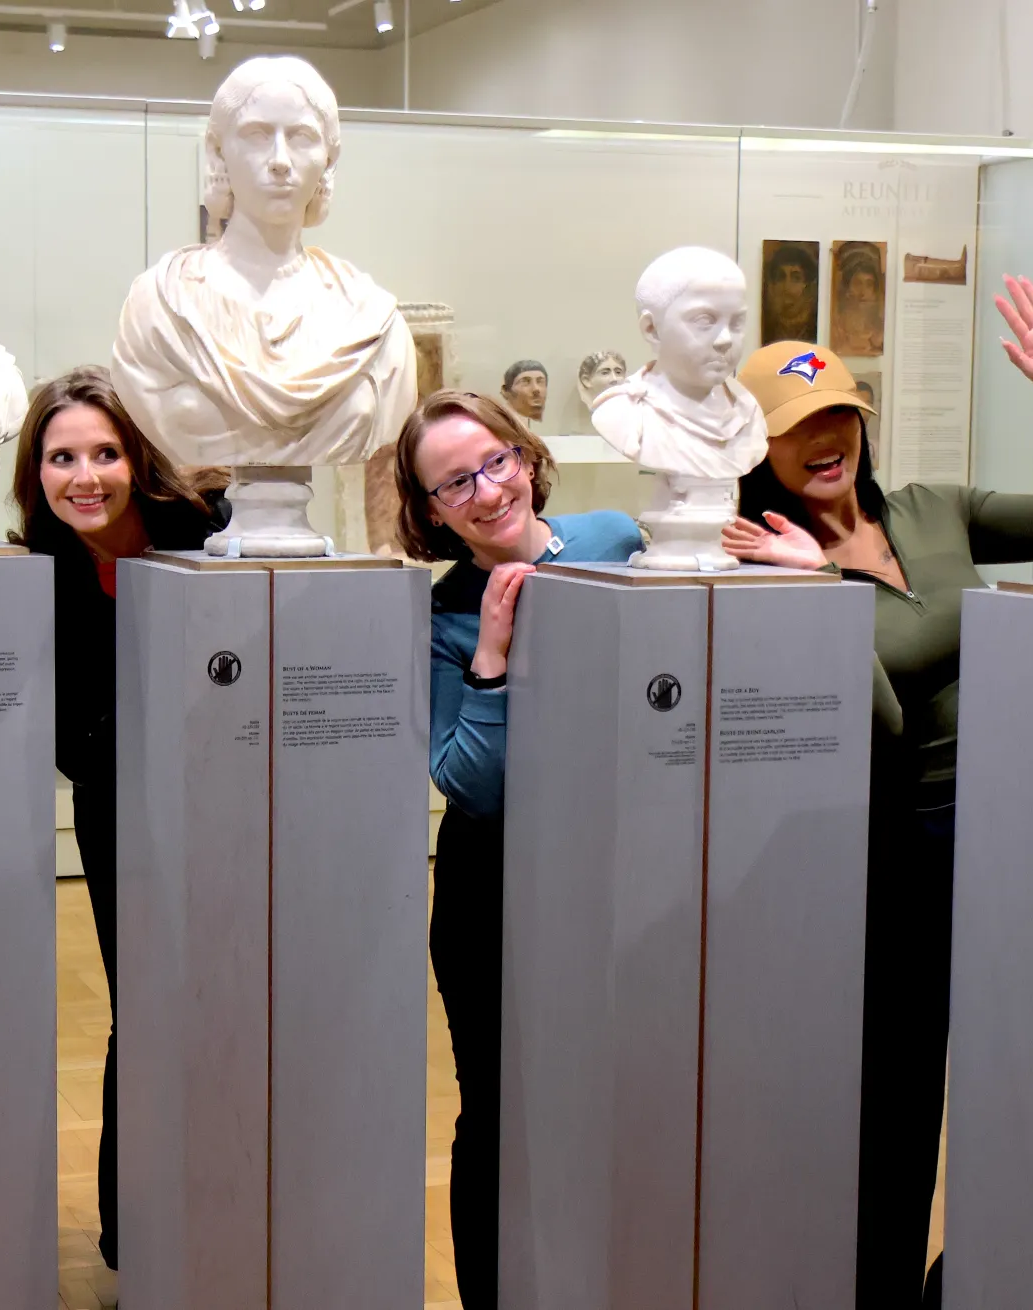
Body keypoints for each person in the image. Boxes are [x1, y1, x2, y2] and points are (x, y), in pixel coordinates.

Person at [722, 277, 1033, 1308]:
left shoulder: (930, 509)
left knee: (1026, 1081)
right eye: (797, 428)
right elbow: (878, 718)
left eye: (838, 417)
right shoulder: (756, 556)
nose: (825, 441)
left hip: (1016, 832)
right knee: (897, 1104)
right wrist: (812, 594)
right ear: (756, 451)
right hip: (894, 850)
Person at [389, 389, 642, 1310]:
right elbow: (471, 782)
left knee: (612, 1101)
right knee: (497, 1115)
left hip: (617, 874)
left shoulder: (616, 541)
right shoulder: (438, 618)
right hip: (492, 889)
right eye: (456, 483)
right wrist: (493, 655)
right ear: (431, 512)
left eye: (496, 462)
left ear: (526, 457)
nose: (489, 491)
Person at [7, 366, 227, 1274]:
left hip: (225, 810)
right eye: (62, 458)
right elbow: (69, 743)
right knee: (143, 1007)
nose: (84, 477)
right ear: (38, 470)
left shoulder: (204, 538)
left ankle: (225, 1203)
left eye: (104, 453)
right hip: (118, 811)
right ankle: (130, 1232)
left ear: (138, 459)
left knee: (225, 1000)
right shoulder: (38, 570)